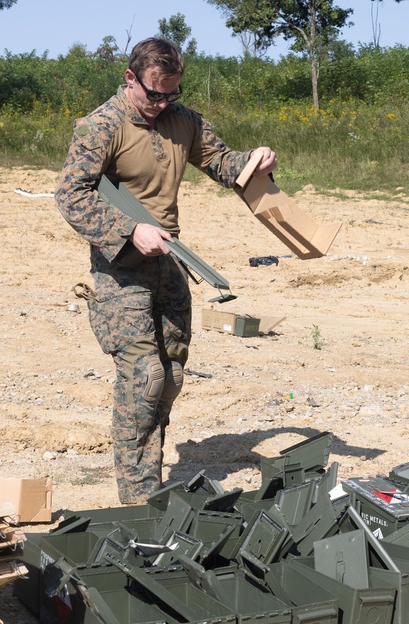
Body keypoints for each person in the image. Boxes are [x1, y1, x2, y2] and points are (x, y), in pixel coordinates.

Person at [55, 38, 277, 504]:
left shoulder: (183, 120)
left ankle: (150, 479)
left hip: (171, 262)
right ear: (130, 77)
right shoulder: (101, 126)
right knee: (143, 377)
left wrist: (253, 160)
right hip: (120, 267)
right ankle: (139, 499)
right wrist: (129, 230)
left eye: (170, 94)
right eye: (153, 93)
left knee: (171, 377)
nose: (160, 104)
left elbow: (221, 162)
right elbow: (71, 195)